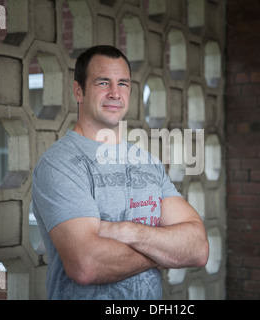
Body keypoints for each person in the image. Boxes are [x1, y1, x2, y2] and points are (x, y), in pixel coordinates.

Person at [32, 45, 209, 300]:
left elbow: (198, 248)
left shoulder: (149, 164)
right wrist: (161, 253)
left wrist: (126, 231)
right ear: (78, 91)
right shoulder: (60, 164)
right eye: (103, 82)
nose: (115, 93)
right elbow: (87, 264)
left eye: (123, 84)